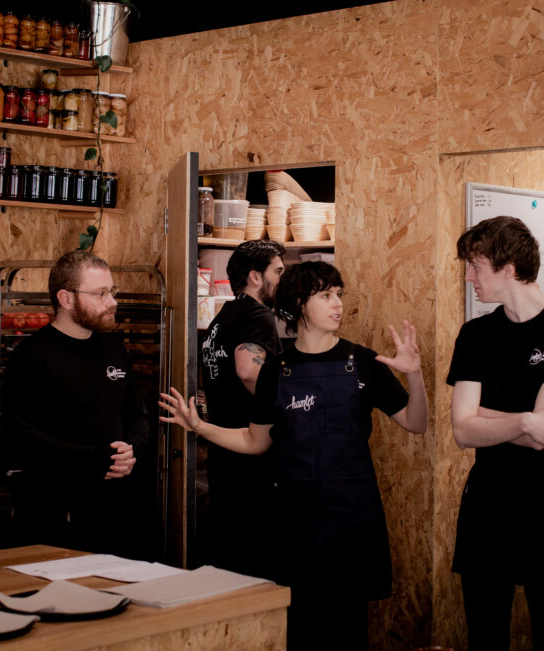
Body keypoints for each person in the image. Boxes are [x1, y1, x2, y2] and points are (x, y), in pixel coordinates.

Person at [162, 261, 428, 650]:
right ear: (299, 304)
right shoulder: (275, 371)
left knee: (348, 633)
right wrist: (199, 427)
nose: (337, 304)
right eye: (325, 295)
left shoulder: (364, 363)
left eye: (339, 294)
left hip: (352, 523)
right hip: (293, 526)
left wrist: (415, 375)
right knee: (298, 631)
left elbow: (417, 422)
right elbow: (256, 441)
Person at [447, 216, 544, 651]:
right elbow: (461, 430)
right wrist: (524, 419)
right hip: (487, 504)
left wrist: (493, 420)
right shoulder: (475, 334)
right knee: (485, 634)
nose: (469, 277)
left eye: (476, 266)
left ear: (507, 267)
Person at [2, 250, 150, 556]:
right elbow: (23, 435)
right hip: (56, 514)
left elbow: (136, 414)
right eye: (100, 294)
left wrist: (130, 448)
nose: (112, 302)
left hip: (115, 507)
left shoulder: (113, 349)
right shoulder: (32, 355)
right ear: (66, 299)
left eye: (112, 291)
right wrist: (96, 458)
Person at [199, 239, 285, 578]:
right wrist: (286, 409)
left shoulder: (222, 318)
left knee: (230, 556)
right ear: (255, 277)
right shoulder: (257, 314)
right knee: (255, 559)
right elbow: (249, 372)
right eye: (277, 272)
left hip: (223, 452)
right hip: (251, 456)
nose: (282, 279)